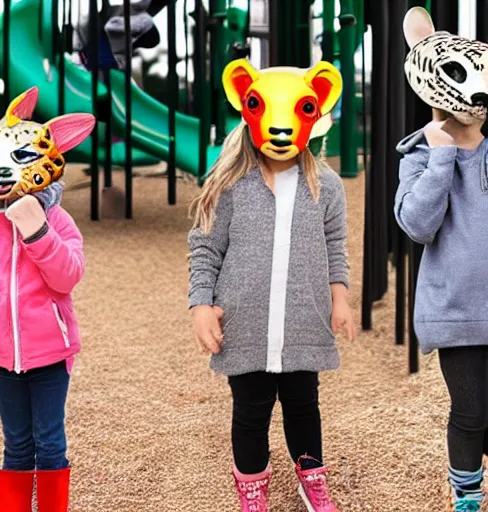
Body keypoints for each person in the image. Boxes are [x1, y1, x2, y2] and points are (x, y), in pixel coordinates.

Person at [188, 58, 356, 512]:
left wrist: (339, 297)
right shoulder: (228, 184)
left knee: (304, 404)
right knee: (251, 410)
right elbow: (204, 249)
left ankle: (311, 478)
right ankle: (252, 489)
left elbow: (335, 245)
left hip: (304, 321)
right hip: (245, 323)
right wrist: (201, 304)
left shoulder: (326, 185)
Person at [0, 87, 95, 512]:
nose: (5, 172)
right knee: (16, 445)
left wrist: (36, 229)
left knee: (49, 442)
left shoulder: (57, 218)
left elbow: (67, 277)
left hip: (49, 354)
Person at [396, 7, 488, 511]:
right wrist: (442, 156)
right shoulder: (416, 156)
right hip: (458, 312)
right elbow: (417, 224)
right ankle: (467, 498)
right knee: (471, 412)